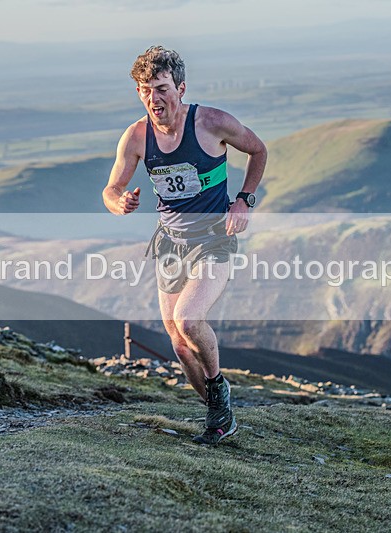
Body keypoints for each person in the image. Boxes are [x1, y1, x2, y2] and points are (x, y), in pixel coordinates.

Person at [103, 46, 267, 444]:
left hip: (214, 239)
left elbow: (258, 150)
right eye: (145, 90)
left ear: (180, 87)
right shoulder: (137, 136)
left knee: (189, 319)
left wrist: (244, 199)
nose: (153, 99)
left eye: (161, 88)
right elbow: (111, 188)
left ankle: (219, 397)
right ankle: (219, 413)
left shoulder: (212, 122)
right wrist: (118, 201)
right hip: (170, 244)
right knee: (178, 343)